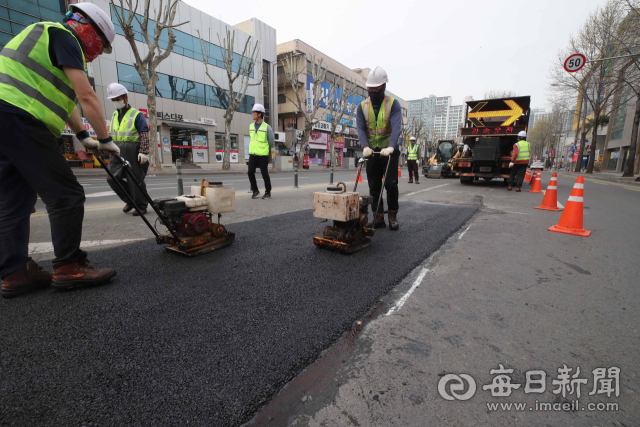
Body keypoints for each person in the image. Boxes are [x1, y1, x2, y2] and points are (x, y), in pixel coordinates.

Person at [0, 3, 119, 298]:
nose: (96, 53)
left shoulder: (42, 35)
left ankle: (14, 274)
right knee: (66, 194)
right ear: (91, 32)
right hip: (21, 116)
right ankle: (69, 266)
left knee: (15, 200)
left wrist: (82, 135)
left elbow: (64, 101)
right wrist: (104, 140)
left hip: (7, 116)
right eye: (100, 46)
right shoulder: (65, 37)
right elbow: (86, 95)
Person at [356, 66, 402, 230]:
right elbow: (361, 128)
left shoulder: (393, 104)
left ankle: (392, 215)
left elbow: (396, 127)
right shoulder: (362, 106)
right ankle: (378, 217)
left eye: (376, 89)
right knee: (374, 186)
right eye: (370, 89)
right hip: (372, 153)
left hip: (389, 152)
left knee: (390, 185)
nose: (373, 92)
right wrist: (365, 147)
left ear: (383, 87)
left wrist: (391, 147)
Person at [105, 82, 150, 216]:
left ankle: (141, 205)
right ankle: (130, 200)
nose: (115, 102)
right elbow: (112, 133)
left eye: (117, 99)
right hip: (117, 149)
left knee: (135, 179)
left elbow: (144, 133)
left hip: (133, 149)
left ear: (125, 98)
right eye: (113, 99)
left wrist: (144, 151)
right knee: (111, 178)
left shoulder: (136, 114)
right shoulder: (114, 115)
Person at [248, 103, 274, 199]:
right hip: (253, 154)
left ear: (259, 114)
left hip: (263, 155)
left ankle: (268, 192)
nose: (252, 114)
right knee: (250, 172)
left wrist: (264, 149)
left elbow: (271, 142)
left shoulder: (267, 127)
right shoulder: (251, 126)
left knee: (264, 174)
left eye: (254, 112)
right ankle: (255, 190)